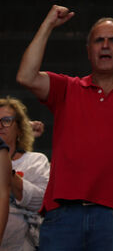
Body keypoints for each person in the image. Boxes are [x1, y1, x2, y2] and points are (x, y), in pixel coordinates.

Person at [16, 5, 113, 251]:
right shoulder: (67, 88)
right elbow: (25, 76)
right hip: (63, 215)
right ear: (89, 51)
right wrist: (47, 26)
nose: (105, 45)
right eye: (99, 40)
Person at [0, 97, 50, 251]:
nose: (0, 126)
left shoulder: (35, 161)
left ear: (20, 129)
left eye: (6, 120)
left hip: (22, 244)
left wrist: (9, 172)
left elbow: (41, 201)